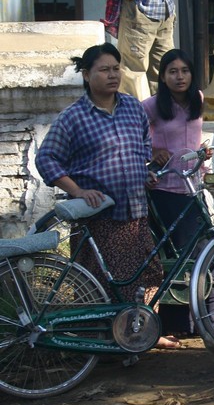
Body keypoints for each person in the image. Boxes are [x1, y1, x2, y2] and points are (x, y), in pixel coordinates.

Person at [35, 42, 180, 350]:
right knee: (102, 281)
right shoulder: (73, 117)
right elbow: (46, 158)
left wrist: (146, 175)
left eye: (116, 68)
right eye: (104, 70)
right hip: (100, 217)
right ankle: (99, 342)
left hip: (137, 212)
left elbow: (141, 150)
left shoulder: (132, 108)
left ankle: (141, 335)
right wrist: (77, 190)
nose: (112, 75)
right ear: (87, 75)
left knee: (147, 275)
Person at [142, 49, 214, 337]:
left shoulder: (198, 99)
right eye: (173, 71)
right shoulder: (150, 106)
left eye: (184, 70)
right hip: (165, 189)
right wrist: (152, 151)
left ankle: (210, 318)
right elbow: (133, 137)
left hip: (193, 187)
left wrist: (202, 155)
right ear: (163, 76)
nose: (179, 76)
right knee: (175, 258)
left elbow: (195, 136)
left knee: (205, 251)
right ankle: (176, 325)